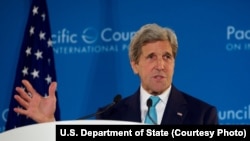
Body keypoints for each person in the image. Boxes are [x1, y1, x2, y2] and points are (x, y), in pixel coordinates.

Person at [13, 23, 219, 125]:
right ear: (134, 65)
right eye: (151, 57)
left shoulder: (202, 115)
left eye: (167, 57)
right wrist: (50, 122)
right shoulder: (109, 115)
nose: (160, 65)